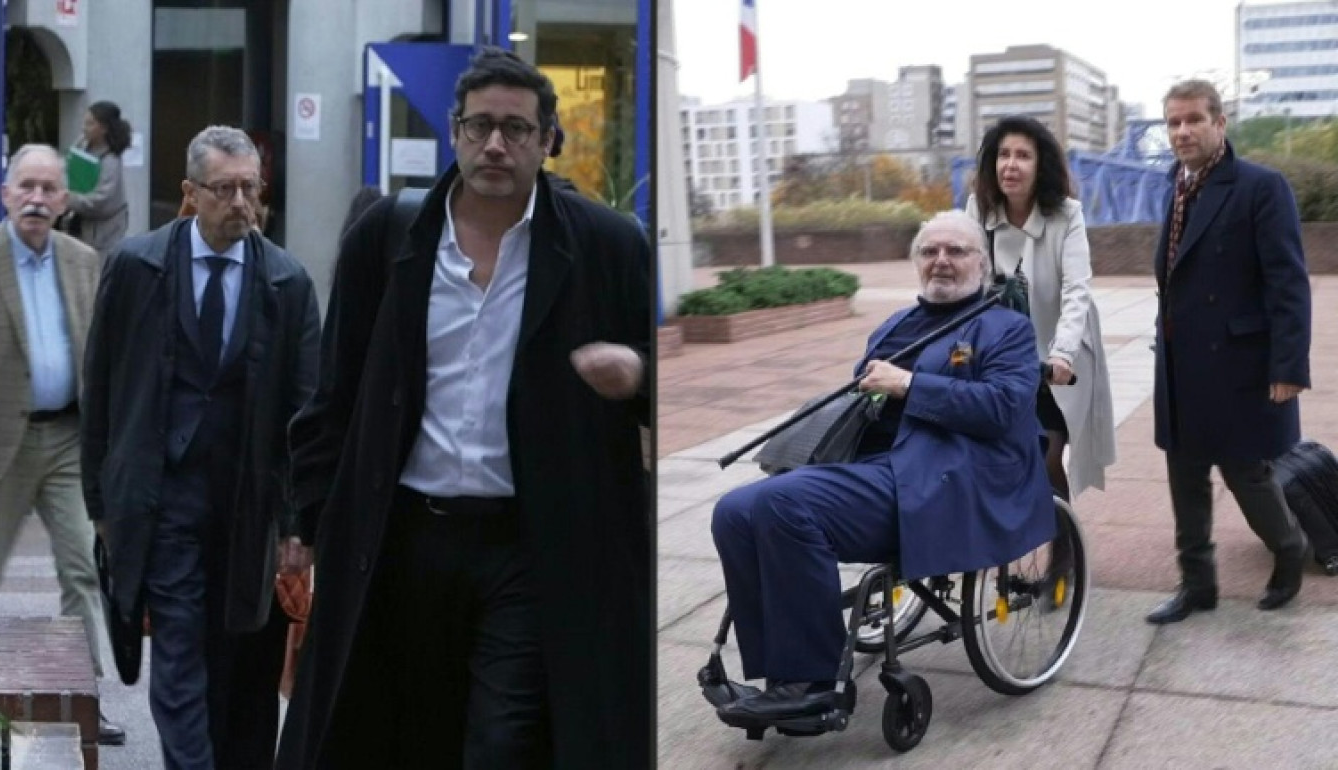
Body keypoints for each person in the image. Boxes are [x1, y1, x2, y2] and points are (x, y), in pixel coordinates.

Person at [276, 47, 651, 769]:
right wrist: (305, 520)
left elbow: (662, 362)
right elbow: (336, 394)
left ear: (548, 141)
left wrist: (636, 370)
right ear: (455, 132)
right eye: (480, 126)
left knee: (502, 741)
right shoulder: (387, 239)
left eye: (516, 129)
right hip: (403, 538)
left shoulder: (604, 246)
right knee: (405, 731)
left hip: (531, 545)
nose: (496, 145)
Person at [710, 210, 1055, 723]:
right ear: (916, 262)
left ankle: (815, 683)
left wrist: (910, 385)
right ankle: (781, 674)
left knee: (784, 505)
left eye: (956, 251)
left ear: (981, 264)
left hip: (950, 478)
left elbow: (1004, 408)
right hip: (880, 467)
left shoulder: (1006, 329)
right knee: (734, 511)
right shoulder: (895, 325)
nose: (941, 260)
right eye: (930, 251)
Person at [80, 125, 320, 768]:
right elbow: (100, 387)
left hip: (247, 505)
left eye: (251, 187)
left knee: (240, 659)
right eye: (225, 189)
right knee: (180, 654)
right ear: (191, 193)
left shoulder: (287, 283)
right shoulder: (137, 267)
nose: (241, 202)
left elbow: (305, 415)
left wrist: (298, 524)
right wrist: (100, 500)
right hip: (165, 499)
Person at [0, 144, 125, 746]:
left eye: (49, 188)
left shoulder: (85, 261)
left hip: (68, 440)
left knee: (82, 569)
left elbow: (103, 356)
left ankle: (88, 700)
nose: (37, 198)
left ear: (65, 201)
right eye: (26, 186)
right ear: (5, 194)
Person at [1145, 80, 1312, 624]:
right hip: (1179, 360)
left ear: (1220, 123)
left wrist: (1288, 366)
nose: (1182, 131)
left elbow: (1288, 283)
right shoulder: (1174, 185)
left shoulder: (1261, 186)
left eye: (1193, 119)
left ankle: (1288, 549)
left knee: (1248, 474)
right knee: (1184, 475)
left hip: (1237, 361)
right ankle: (1197, 586)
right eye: (1173, 122)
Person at [966, 115, 1115, 501]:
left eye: (1023, 156)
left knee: (1048, 453)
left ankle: (1064, 543)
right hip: (999, 354)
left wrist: (1062, 353)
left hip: (1054, 352)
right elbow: (968, 284)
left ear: (1040, 165)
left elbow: (1076, 289)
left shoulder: (1067, 215)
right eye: (1003, 155)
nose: (1010, 165)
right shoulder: (977, 211)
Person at [65, 101, 131, 256]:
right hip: (77, 227)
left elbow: (100, 202)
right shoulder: (81, 145)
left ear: (104, 128)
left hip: (102, 237)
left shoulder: (111, 160)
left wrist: (68, 198)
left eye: (90, 124)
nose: (84, 128)